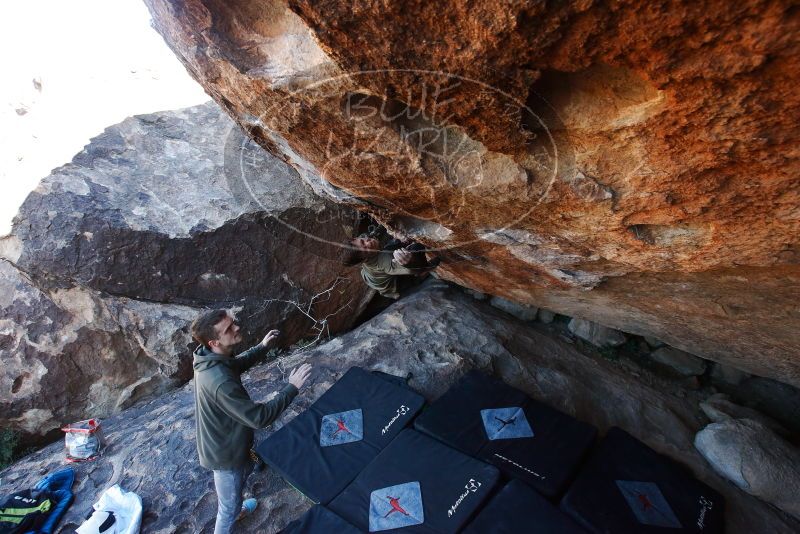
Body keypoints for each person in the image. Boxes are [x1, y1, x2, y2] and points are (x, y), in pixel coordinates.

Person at [191, 309, 312, 534]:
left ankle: (236, 509)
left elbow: (234, 364)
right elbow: (259, 418)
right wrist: (291, 388)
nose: (236, 327)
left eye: (233, 322)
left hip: (231, 441)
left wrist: (262, 347)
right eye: (229, 329)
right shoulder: (218, 381)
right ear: (214, 341)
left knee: (238, 486)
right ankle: (233, 514)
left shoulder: (209, 357)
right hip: (225, 456)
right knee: (226, 509)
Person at [342, 231, 441, 299]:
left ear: (356, 238)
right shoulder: (384, 261)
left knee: (391, 246)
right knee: (416, 248)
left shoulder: (366, 242)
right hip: (397, 286)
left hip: (375, 277)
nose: (368, 243)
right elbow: (416, 269)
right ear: (364, 259)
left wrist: (396, 237)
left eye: (363, 241)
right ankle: (420, 277)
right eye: (366, 250)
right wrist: (410, 262)